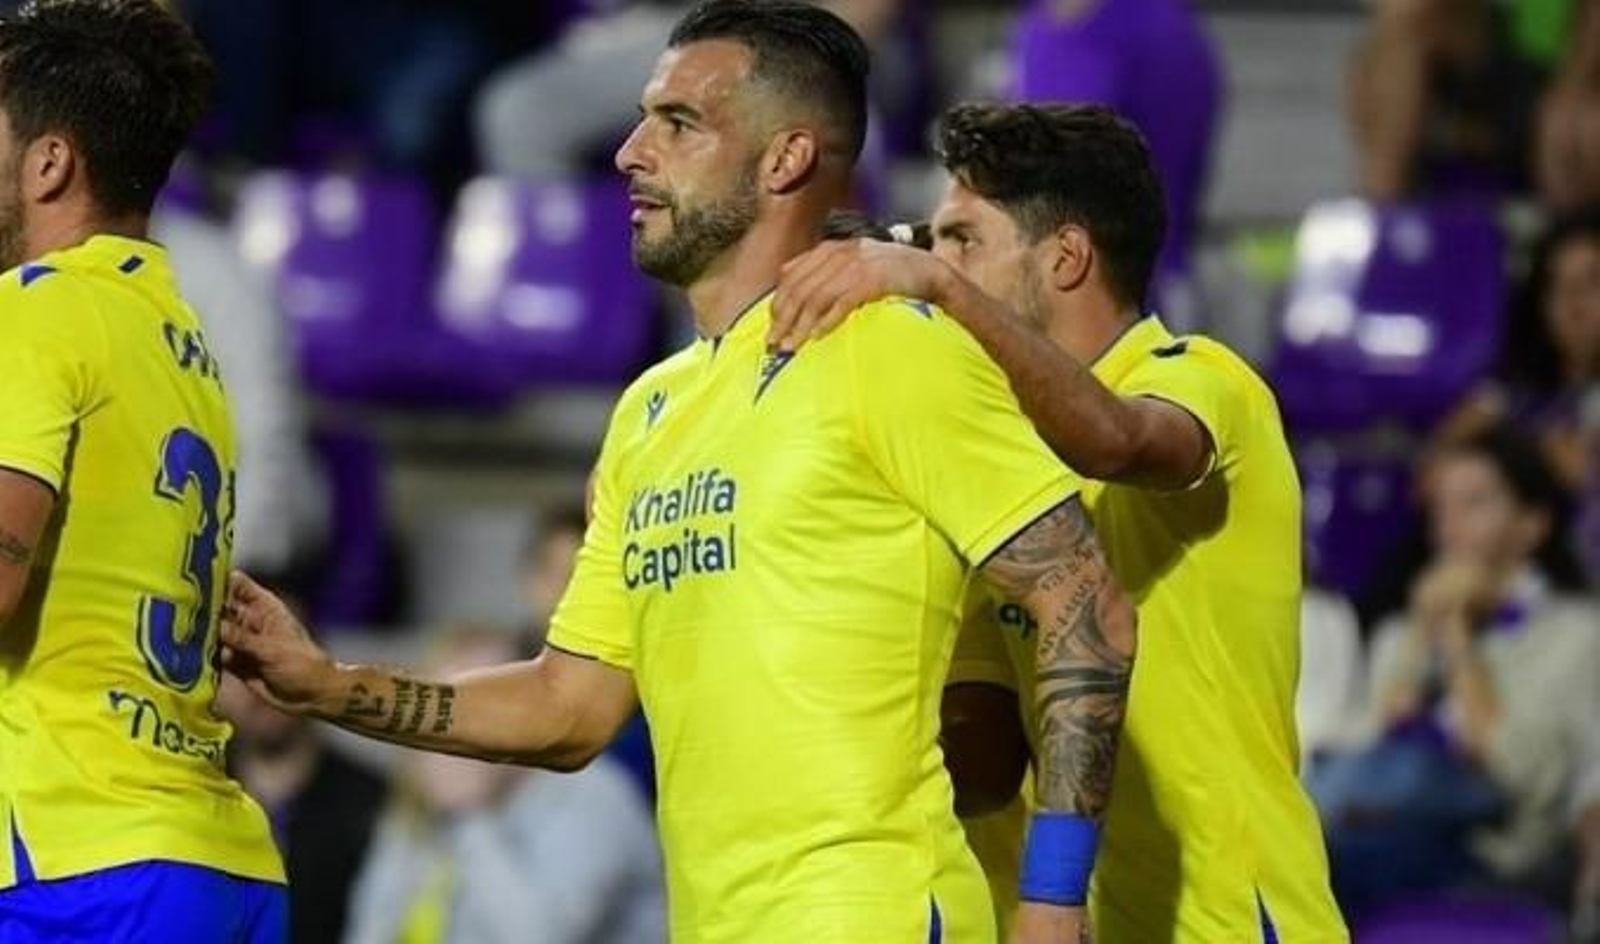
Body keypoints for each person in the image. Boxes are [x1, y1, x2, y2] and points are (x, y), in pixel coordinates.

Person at [219, 4, 1137, 944]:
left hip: (873, 912)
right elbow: (568, 707)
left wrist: (1053, 901)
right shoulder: (649, 411)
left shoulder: (890, 350)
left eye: (679, 123)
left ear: (785, 160)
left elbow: (1086, 609)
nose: (627, 151)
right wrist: (329, 688)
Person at [769, 102, 1346, 941]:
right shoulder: (990, 472)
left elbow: (1116, 439)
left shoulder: (1205, 379)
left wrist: (936, 291)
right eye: (931, 245)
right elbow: (986, 766)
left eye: (963, 240)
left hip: (1226, 921)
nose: (932, 262)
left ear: (1067, 258)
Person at [0, 1, 285, 941]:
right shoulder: (179, 337)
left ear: (48, 162)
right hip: (211, 857)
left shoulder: (34, 312)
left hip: (78, 864)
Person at [1312, 428, 1600, 915]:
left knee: (1407, 773)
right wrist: (1424, 636)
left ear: (1533, 524)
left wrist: (1459, 641)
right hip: (1381, 830)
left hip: (1491, 844)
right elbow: (1370, 741)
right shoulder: (1401, 631)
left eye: (1474, 505)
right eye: (1441, 510)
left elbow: (1535, 785)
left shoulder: (1577, 634)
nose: (1450, 529)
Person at [342, 626, 665, 944]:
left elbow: (540, 938)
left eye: (479, 704)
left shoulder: (596, 799)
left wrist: (468, 815)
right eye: (445, 710)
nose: (455, 731)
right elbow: (369, 930)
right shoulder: (425, 802)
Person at [217, 672, 385, 944]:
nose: (260, 686)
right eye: (240, 670)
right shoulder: (187, 797)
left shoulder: (373, 804)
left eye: (273, 665)